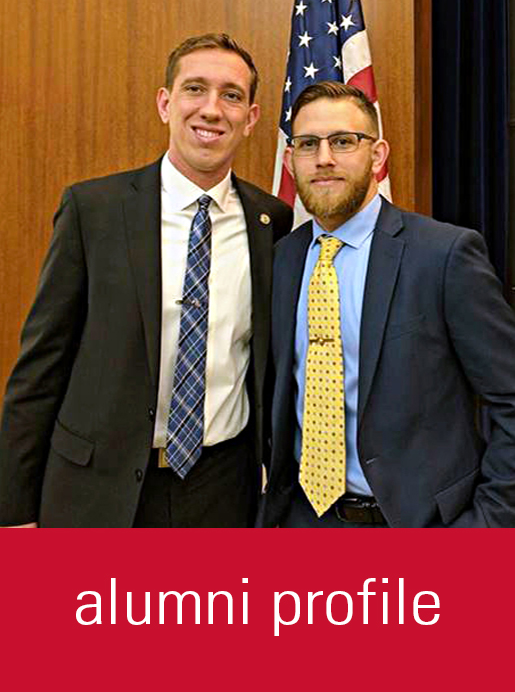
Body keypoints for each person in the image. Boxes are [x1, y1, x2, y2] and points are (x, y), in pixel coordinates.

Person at [0, 33, 292, 528]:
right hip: (97, 492)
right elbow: (40, 368)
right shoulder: (93, 211)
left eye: (231, 95)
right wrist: (13, 512)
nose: (212, 109)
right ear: (165, 103)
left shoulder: (273, 223)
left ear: (252, 118)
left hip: (223, 492)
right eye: (194, 89)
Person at [260, 80, 515, 528]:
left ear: (377, 155)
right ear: (289, 160)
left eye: (343, 141)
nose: (324, 158)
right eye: (307, 144)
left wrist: (487, 525)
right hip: (302, 522)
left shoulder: (445, 255)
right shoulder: (280, 259)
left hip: (418, 528)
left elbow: (509, 398)